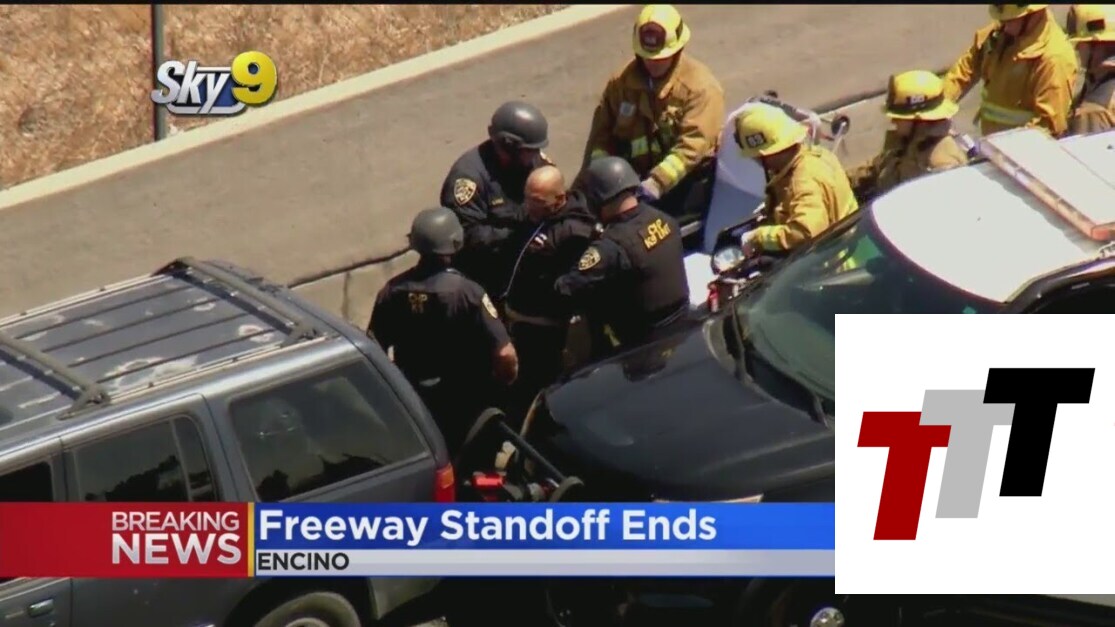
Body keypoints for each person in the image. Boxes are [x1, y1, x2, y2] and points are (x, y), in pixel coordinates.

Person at [368, 207, 519, 456]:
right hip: (466, 399)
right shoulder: (468, 292)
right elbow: (504, 354)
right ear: (456, 242)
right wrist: (506, 380)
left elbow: (375, 349)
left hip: (416, 399)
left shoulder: (392, 290)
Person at [582, 4, 725, 223]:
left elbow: (692, 146)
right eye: (646, 56)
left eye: (660, 57)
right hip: (633, 182)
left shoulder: (701, 88)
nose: (652, 63)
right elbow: (600, 137)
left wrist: (656, 183)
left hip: (686, 185)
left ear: (678, 49)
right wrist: (596, 181)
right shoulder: (621, 84)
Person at [555, 157, 689, 362]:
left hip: (640, 349)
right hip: (682, 333)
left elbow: (566, 288)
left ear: (596, 198)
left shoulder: (610, 247)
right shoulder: (663, 219)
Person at [501, 165, 598, 418]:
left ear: (559, 199)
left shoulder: (574, 233)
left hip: (543, 327)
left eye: (536, 201)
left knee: (536, 382)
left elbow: (575, 282)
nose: (527, 205)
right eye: (526, 197)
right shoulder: (536, 216)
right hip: (518, 318)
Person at [440, 100, 553, 298]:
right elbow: (468, 237)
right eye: (529, 151)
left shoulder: (535, 162)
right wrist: (520, 231)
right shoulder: (468, 179)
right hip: (486, 275)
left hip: (525, 263)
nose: (536, 156)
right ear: (509, 147)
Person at [733, 103, 859, 259]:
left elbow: (805, 232)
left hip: (831, 264)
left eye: (756, 157)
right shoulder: (817, 155)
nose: (756, 162)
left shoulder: (802, 180)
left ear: (766, 154)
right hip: (850, 245)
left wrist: (758, 237)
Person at [942, 4, 1079, 137]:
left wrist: (1008, 146)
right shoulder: (1000, 33)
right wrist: (938, 107)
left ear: (1033, 14)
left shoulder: (1054, 59)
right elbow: (963, 72)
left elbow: (1048, 126)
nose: (1004, 27)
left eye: (1010, 19)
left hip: (1021, 149)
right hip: (993, 142)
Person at [846, 70, 973, 201]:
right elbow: (876, 168)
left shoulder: (941, 165)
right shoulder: (908, 142)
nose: (893, 121)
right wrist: (842, 180)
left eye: (899, 117)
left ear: (919, 120)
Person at [1066, 4, 1115, 134]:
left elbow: (1082, 147)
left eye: (1080, 44)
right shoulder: (1097, 81)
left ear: (1097, 46)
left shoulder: (1094, 110)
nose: (1077, 49)